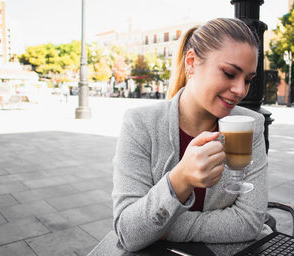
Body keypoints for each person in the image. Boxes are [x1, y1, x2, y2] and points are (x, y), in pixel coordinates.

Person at [112, 18, 270, 252]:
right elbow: (128, 231)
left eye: (247, 80)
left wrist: (164, 230)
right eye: (229, 73)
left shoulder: (251, 125)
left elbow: (249, 221)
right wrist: (181, 179)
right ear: (192, 62)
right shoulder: (140, 124)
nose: (240, 90)